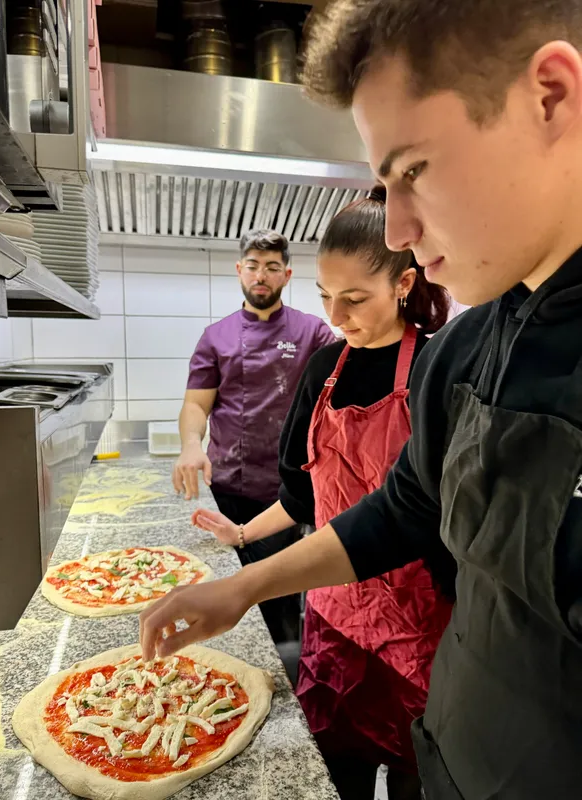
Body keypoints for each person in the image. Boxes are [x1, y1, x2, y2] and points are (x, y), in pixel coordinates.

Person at [141, 1, 582, 797]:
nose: (402, 227)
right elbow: (401, 510)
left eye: (413, 170)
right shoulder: (470, 348)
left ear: (550, 96)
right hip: (448, 754)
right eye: (385, 182)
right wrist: (241, 584)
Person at [190, 194, 454, 800]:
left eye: (354, 299)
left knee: (419, 776)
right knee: (336, 775)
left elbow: (435, 514)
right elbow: (305, 497)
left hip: (423, 629)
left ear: (404, 283)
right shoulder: (324, 368)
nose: (336, 315)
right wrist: (243, 536)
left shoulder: (437, 368)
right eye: (325, 295)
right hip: (334, 621)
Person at [172, 228, 335, 643]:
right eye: (253, 266)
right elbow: (196, 405)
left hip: (285, 492)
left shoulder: (312, 332)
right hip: (225, 485)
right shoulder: (217, 336)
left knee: (275, 593)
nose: (261, 275)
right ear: (239, 270)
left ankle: (279, 674)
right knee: (220, 588)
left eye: (272, 267)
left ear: (287, 275)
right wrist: (191, 445)